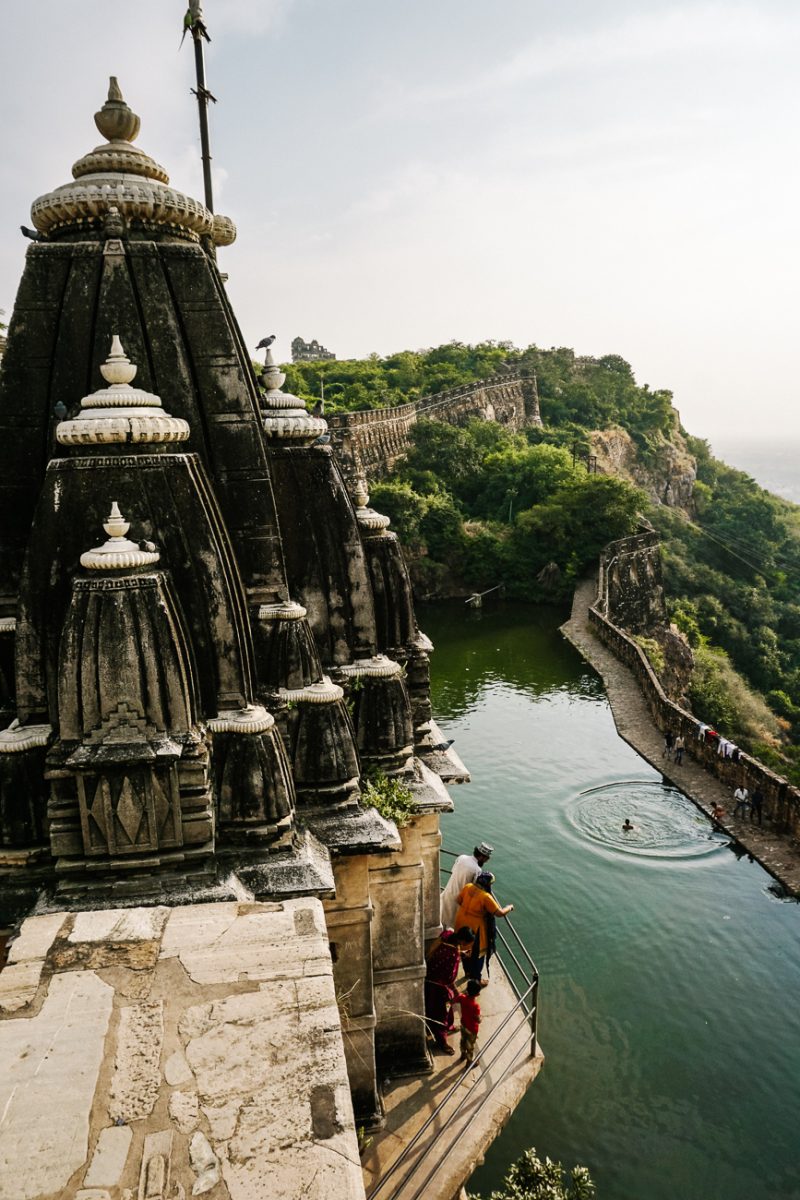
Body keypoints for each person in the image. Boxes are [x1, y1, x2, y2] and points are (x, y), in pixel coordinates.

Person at [424, 926, 475, 1054]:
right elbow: (449, 979)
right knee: (442, 1014)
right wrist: (458, 994)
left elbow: (439, 949)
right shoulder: (453, 956)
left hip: (428, 977)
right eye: (467, 944)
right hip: (438, 987)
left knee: (441, 1011)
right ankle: (442, 1042)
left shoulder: (447, 934)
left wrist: (461, 953)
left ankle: (449, 1026)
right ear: (463, 942)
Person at [454, 871, 513, 984]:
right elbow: (499, 913)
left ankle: (467, 972)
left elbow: (458, 900)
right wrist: (509, 907)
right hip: (476, 926)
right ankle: (477, 979)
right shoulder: (486, 897)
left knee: (464, 948)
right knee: (479, 953)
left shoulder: (468, 887)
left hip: (461, 921)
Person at [440, 842, 493, 929]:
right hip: (459, 899)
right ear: (482, 857)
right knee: (454, 922)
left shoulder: (462, 857)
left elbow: (453, 870)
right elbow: (473, 887)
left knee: (443, 916)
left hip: (448, 891)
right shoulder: (477, 870)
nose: (486, 861)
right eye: (486, 859)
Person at [453, 979, 482, 1066]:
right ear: (477, 994)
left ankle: (463, 1055)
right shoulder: (475, 1006)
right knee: (470, 1046)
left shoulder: (462, 998)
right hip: (472, 1029)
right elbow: (478, 1020)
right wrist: (481, 1018)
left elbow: (456, 998)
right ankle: (469, 1062)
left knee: (463, 1041)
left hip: (463, 1025)